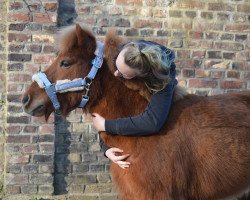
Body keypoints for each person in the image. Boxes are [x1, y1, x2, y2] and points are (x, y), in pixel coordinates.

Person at [91, 40, 178, 169]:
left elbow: (152, 123)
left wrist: (105, 125)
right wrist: (106, 147)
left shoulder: (162, 81)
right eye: (116, 66)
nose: (116, 74)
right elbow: (110, 103)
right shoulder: (123, 53)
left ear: (141, 76)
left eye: (123, 74)